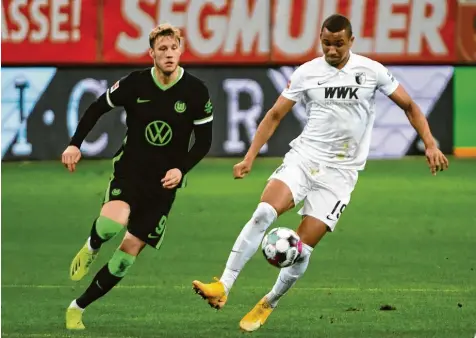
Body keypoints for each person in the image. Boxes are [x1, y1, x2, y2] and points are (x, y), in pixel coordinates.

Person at [192, 14, 448, 332]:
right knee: (262, 212)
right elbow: (274, 115)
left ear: (351, 42)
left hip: (340, 175)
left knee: (301, 249)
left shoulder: (371, 71)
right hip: (304, 158)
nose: (332, 50)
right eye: (326, 43)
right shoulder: (307, 73)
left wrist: (430, 144)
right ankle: (223, 285)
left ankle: (269, 301)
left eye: (339, 44)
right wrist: (249, 157)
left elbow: (409, 106)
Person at [62, 23, 214, 330]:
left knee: (125, 256)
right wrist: (74, 144)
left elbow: (205, 140)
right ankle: (92, 245)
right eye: (162, 49)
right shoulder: (135, 84)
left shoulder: (196, 91)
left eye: (173, 48)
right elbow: (95, 108)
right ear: (152, 53)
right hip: (130, 172)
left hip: (163, 185)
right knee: (109, 225)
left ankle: (77, 308)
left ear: (181, 49)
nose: (169, 54)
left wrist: (181, 168)